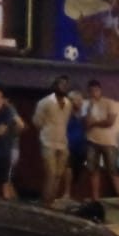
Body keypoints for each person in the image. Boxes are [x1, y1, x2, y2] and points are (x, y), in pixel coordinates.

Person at [85, 79, 119, 211]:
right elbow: (85, 123)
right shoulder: (88, 105)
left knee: (113, 171)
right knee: (93, 171)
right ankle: (95, 201)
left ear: (100, 90)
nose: (94, 93)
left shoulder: (109, 102)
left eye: (96, 90)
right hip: (91, 141)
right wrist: (90, 113)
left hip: (109, 143)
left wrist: (94, 122)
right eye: (91, 91)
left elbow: (110, 122)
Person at [32, 75, 73, 206]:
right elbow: (37, 121)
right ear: (55, 85)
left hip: (62, 142)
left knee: (58, 175)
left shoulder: (68, 104)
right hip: (48, 142)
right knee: (51, 173)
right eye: (61, 84)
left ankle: (51, 201)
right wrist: (47, 130)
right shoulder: (45, 102)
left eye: (66, 84)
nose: (64, 87)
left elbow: (66, 121)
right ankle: (46, 202)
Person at [62, 89, 88, 200]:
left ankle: (78, 194)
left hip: (81, 146)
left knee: (79, 170)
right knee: (69, 168)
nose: (80, 102)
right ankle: (67, 193)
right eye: (77, 100)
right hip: (69, 145)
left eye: (80, 100)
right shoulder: (66, 113)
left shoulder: (83, 115)